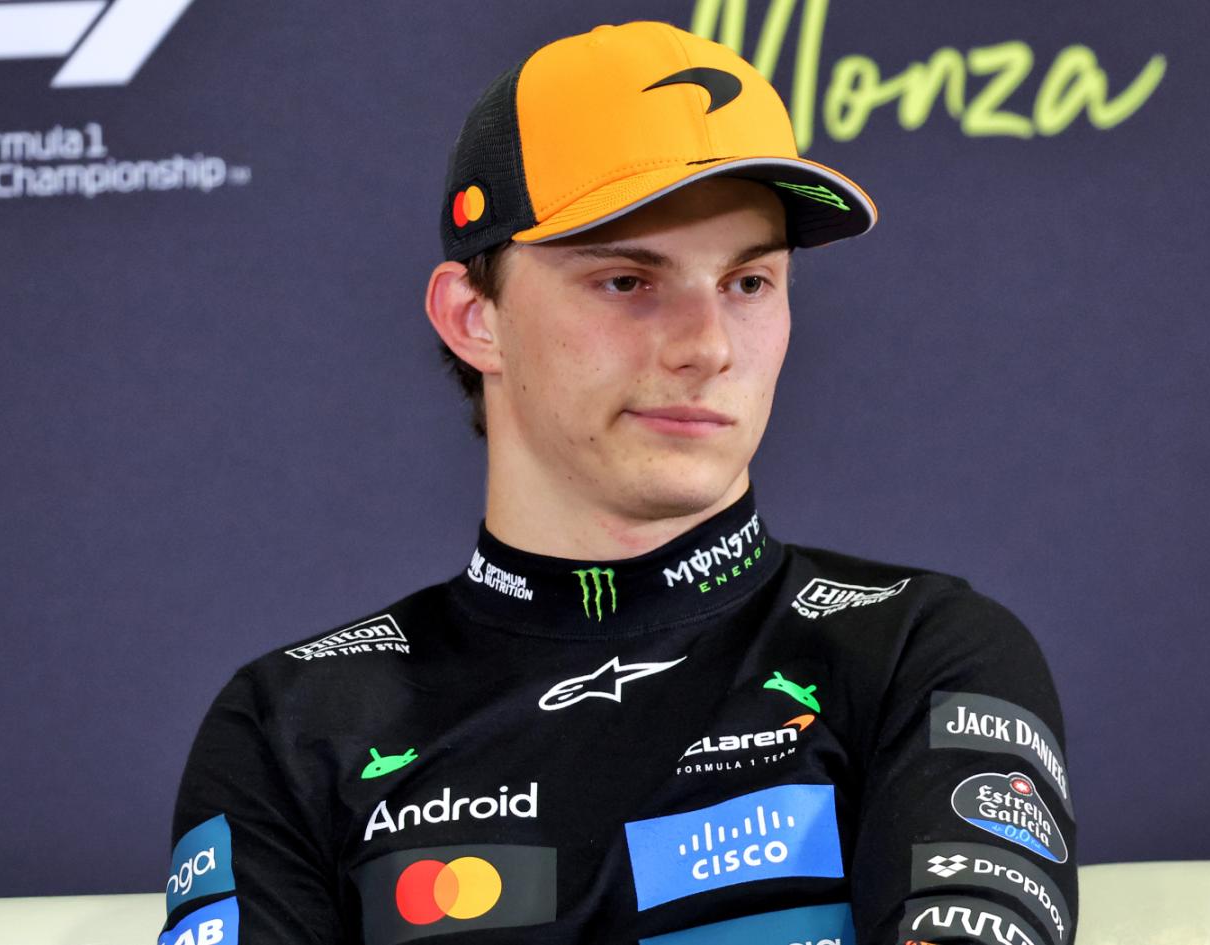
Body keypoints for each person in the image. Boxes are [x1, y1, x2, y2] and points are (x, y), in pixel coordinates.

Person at [159, 20, 1077, 945]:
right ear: (474, 318)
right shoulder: (292, 723)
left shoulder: (919, 651)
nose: (708, 346)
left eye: (749, 283)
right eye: (628, 281)